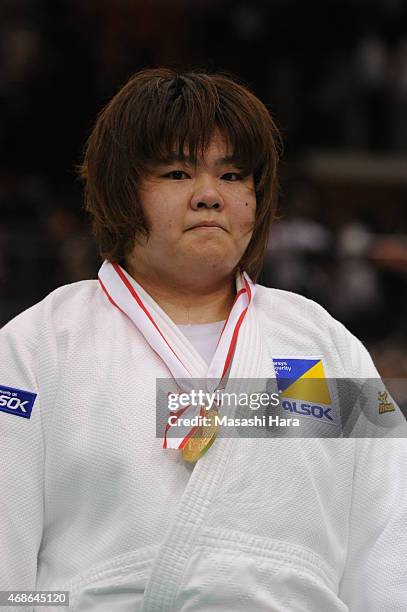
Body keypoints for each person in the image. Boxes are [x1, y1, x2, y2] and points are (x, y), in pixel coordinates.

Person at [0, 68, 406, 612]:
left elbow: (389, 536)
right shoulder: (40, 344)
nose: (210, 196)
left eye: (234, 175)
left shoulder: (321, 343)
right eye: (176, 173)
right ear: (121, 190)